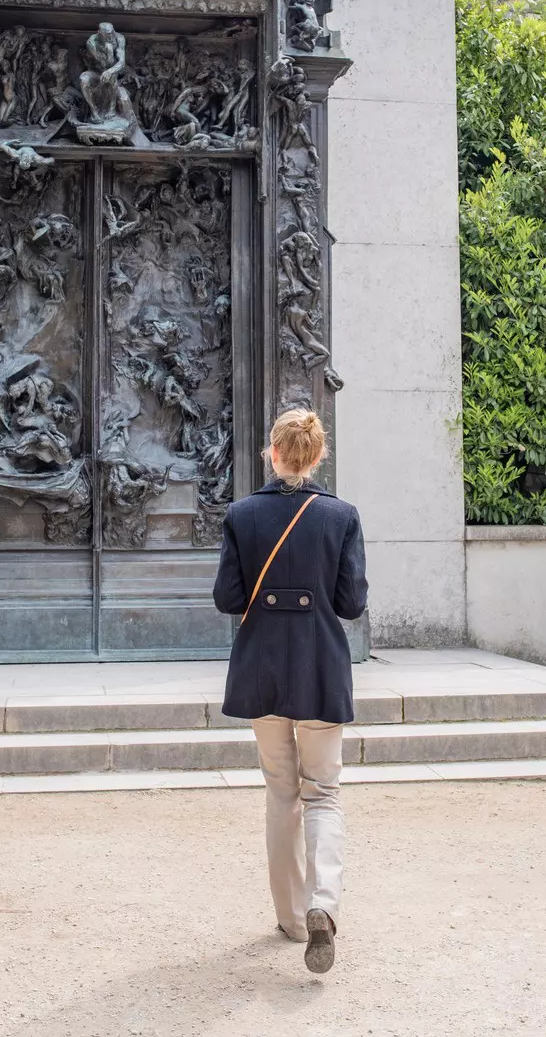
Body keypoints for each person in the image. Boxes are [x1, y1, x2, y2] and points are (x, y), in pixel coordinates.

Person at [212, 408, 367, 974]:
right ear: (318, 456)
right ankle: (324, 904)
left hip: (262, 670)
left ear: (272, 453)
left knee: (282, 793)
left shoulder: (242, 515)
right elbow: (352, 603)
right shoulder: (341, 516)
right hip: (321, 668)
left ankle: (293, 917)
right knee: (323, 791)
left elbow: (229, 598)